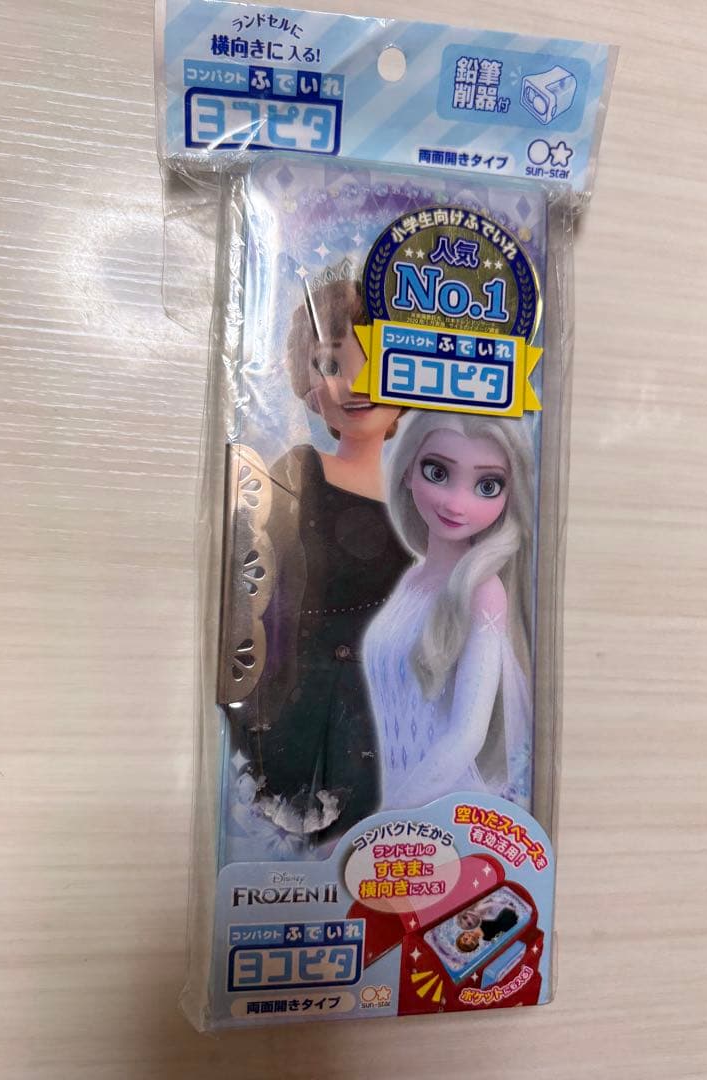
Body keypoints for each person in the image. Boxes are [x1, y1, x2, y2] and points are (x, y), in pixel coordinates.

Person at [227, 276, 410, 854]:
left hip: (391, 716)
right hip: (301, 706)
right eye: (330, 364)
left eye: (375, 361)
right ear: (306, 385)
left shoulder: (425, 500)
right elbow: (254, 595)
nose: (352, 384)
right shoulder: (300, 472)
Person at [362, 411, 534, 812]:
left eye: (487, 486)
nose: (457, 504)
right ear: (407, 471)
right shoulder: (411, 580)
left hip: (446, 809)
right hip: (401, 804)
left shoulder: (483, 591)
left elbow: (466, 737)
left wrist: (383, 822)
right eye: (437, 473)